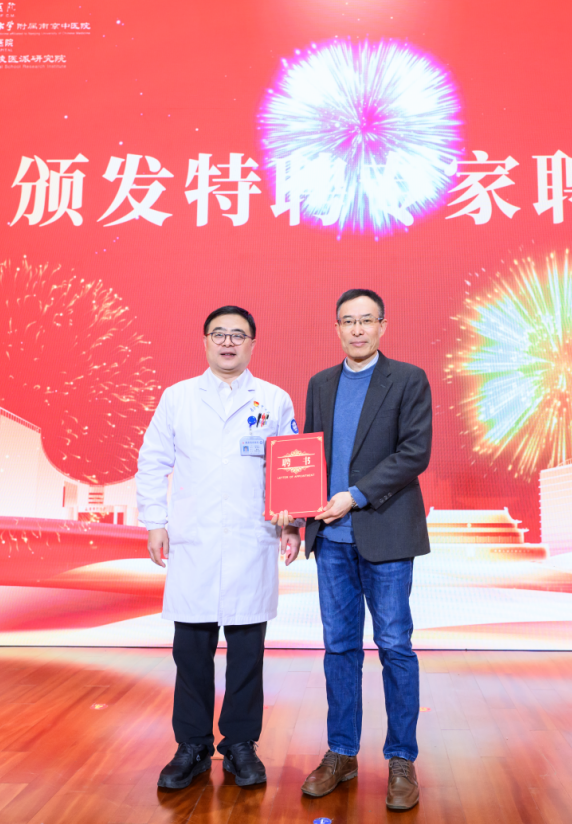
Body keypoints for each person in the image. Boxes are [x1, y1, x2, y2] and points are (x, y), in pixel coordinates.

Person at [271, 288, 432, 811]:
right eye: (348, 321)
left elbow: (415, 452)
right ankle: (341, 752)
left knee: (394, 646)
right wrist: (297, 521)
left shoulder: (408, 379)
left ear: (383, 325)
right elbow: (306, 460)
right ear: (336, 328)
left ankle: (401, 759)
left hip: (386, 535)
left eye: (366, 320)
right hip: (331, 542)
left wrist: (356, 495)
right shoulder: (321, 383)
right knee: (338, 648)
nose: (357, 329)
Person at [137, 305, 302, 791]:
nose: (228, 342)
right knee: (191, 652)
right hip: (195, 542)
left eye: (238, 335)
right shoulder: (178, 398)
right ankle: (191, 746)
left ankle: (240, 745)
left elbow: (290, 467)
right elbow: (153, 461)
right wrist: (155, 522)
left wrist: (293, 524)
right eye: (219, 334)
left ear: (252, 343)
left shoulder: (273, 399)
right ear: (205, 341)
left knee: (247, 653)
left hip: (253, 540)